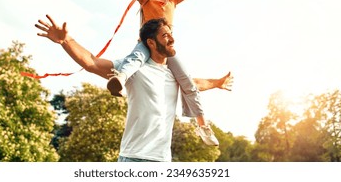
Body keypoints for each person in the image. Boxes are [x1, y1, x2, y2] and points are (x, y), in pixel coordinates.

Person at [90, 0, 231, 145]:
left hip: (165, 48)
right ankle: (120, 79)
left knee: (187, 82)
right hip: (146, 43)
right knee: (136, 58)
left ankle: (203, 126)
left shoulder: (173, 0)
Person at [35, 15, 213, 161]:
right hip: (133, 158)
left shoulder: (174, 75)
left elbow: (195, 85)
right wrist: (66, 40)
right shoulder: (135, 68)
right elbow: (93, 63)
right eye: (165, 36)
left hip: (162, 160)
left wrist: (218, 83)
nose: (172, 39)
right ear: (151, 43)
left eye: (171, 34)